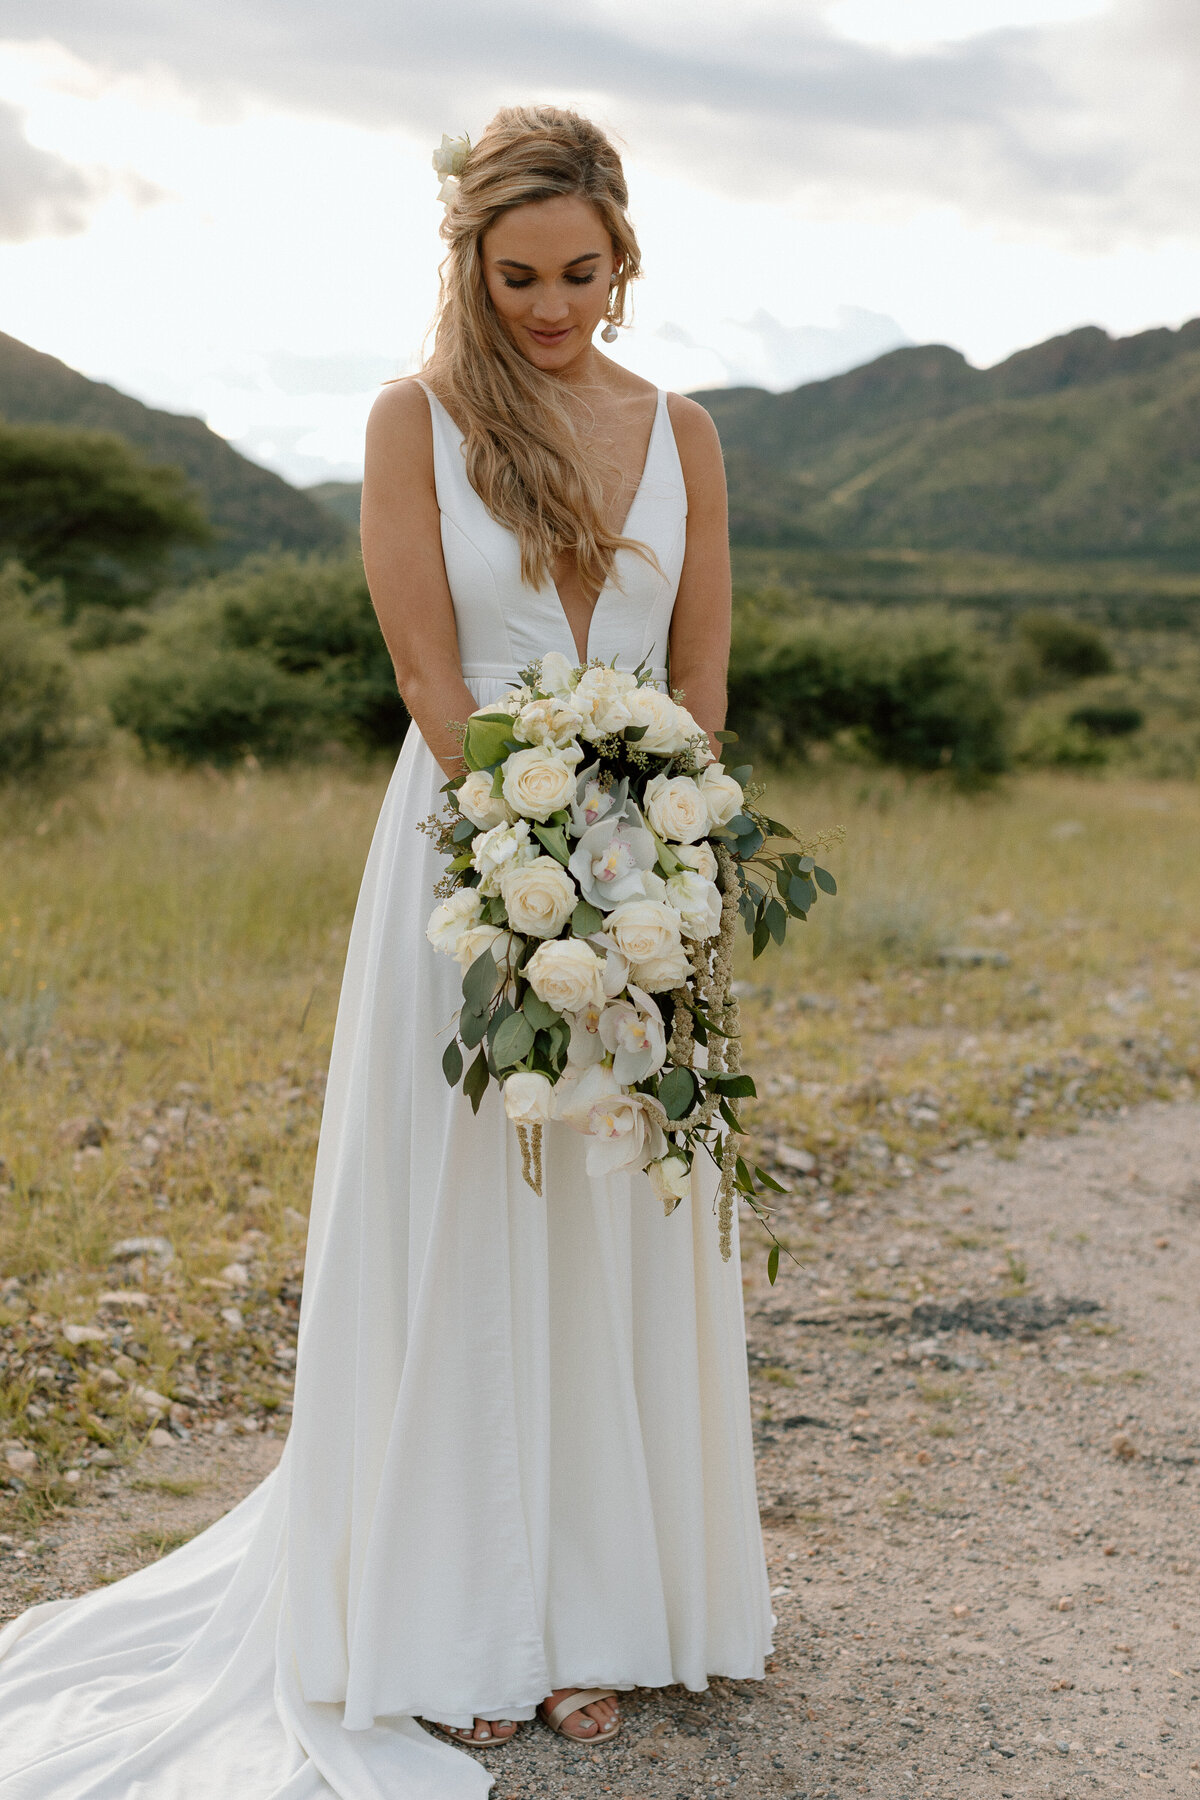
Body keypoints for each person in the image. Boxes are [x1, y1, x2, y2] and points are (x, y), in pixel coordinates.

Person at [0, 104, 771, 1798]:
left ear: (623, 258)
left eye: (580, 273)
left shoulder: (684, 432)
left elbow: (701, 678)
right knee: (467, 1222)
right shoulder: (412, 423)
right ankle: (456, 1625)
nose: (552, 306)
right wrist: (528, 854)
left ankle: (605, 1622)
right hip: (471, 853)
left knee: (610, 1223)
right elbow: (430, 678)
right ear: (470, 266)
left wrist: (667, 861)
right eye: (519, 276)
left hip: (642, 869)